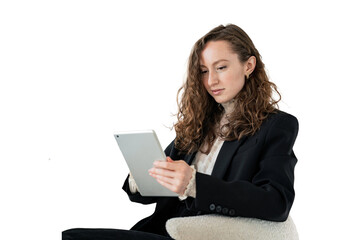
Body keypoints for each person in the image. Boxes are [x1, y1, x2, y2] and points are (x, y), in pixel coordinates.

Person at [62, 23, 299, 240]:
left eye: (221, 67)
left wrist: (194, 184)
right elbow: (149, 193)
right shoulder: (200, 123)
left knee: (74, 238)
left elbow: (277, 203)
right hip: (163, 230)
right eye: (204, 71)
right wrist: (143, 177)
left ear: (249, 65)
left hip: (196, 235)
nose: (211, 81)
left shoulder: (276, 126)